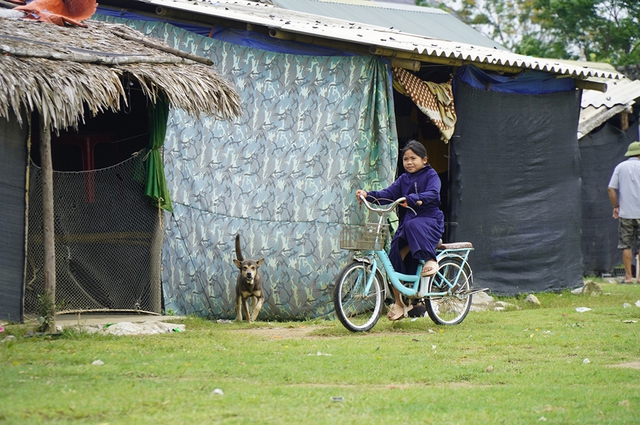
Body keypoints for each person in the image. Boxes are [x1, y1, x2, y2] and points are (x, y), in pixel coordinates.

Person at [356, 140, 444, 320]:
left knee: (412, 225)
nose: (409, 162)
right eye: (406, 159)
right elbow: (387, 194)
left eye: (413, 158)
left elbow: (433, 194)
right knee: (394, 252)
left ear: (424, 160)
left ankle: (430, 259)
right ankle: (400, 302)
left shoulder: (431, 175)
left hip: (430, 221)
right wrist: (368, 195)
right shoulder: (404, 179)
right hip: (411, 223)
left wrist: (414, 198)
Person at [607, 140, 640, 284]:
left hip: (625, 213)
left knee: (626, 245)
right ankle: (639, 277)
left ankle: (628, 277)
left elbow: (611, 188)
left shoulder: (620, 167)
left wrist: (616, 206)